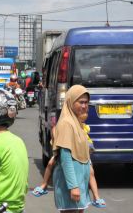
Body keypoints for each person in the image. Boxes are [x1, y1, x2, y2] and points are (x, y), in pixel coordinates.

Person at [32, 124, 106, 208]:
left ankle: (96, 197)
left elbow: (86, 133)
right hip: (63, 153)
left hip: (82, 153)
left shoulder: (81, 127)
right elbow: (55, 138)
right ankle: (44, 184)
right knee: (50, 164)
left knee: (91, 173)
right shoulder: (60, 128)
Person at [51, 85, 92, 213]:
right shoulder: (66, 123)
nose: (84, 106)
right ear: (70, 101)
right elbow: (65, 157)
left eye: (86, 103)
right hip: (70, 185)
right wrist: (73, 186)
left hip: (80, 184)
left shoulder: (77, 123)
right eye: (81, 102)